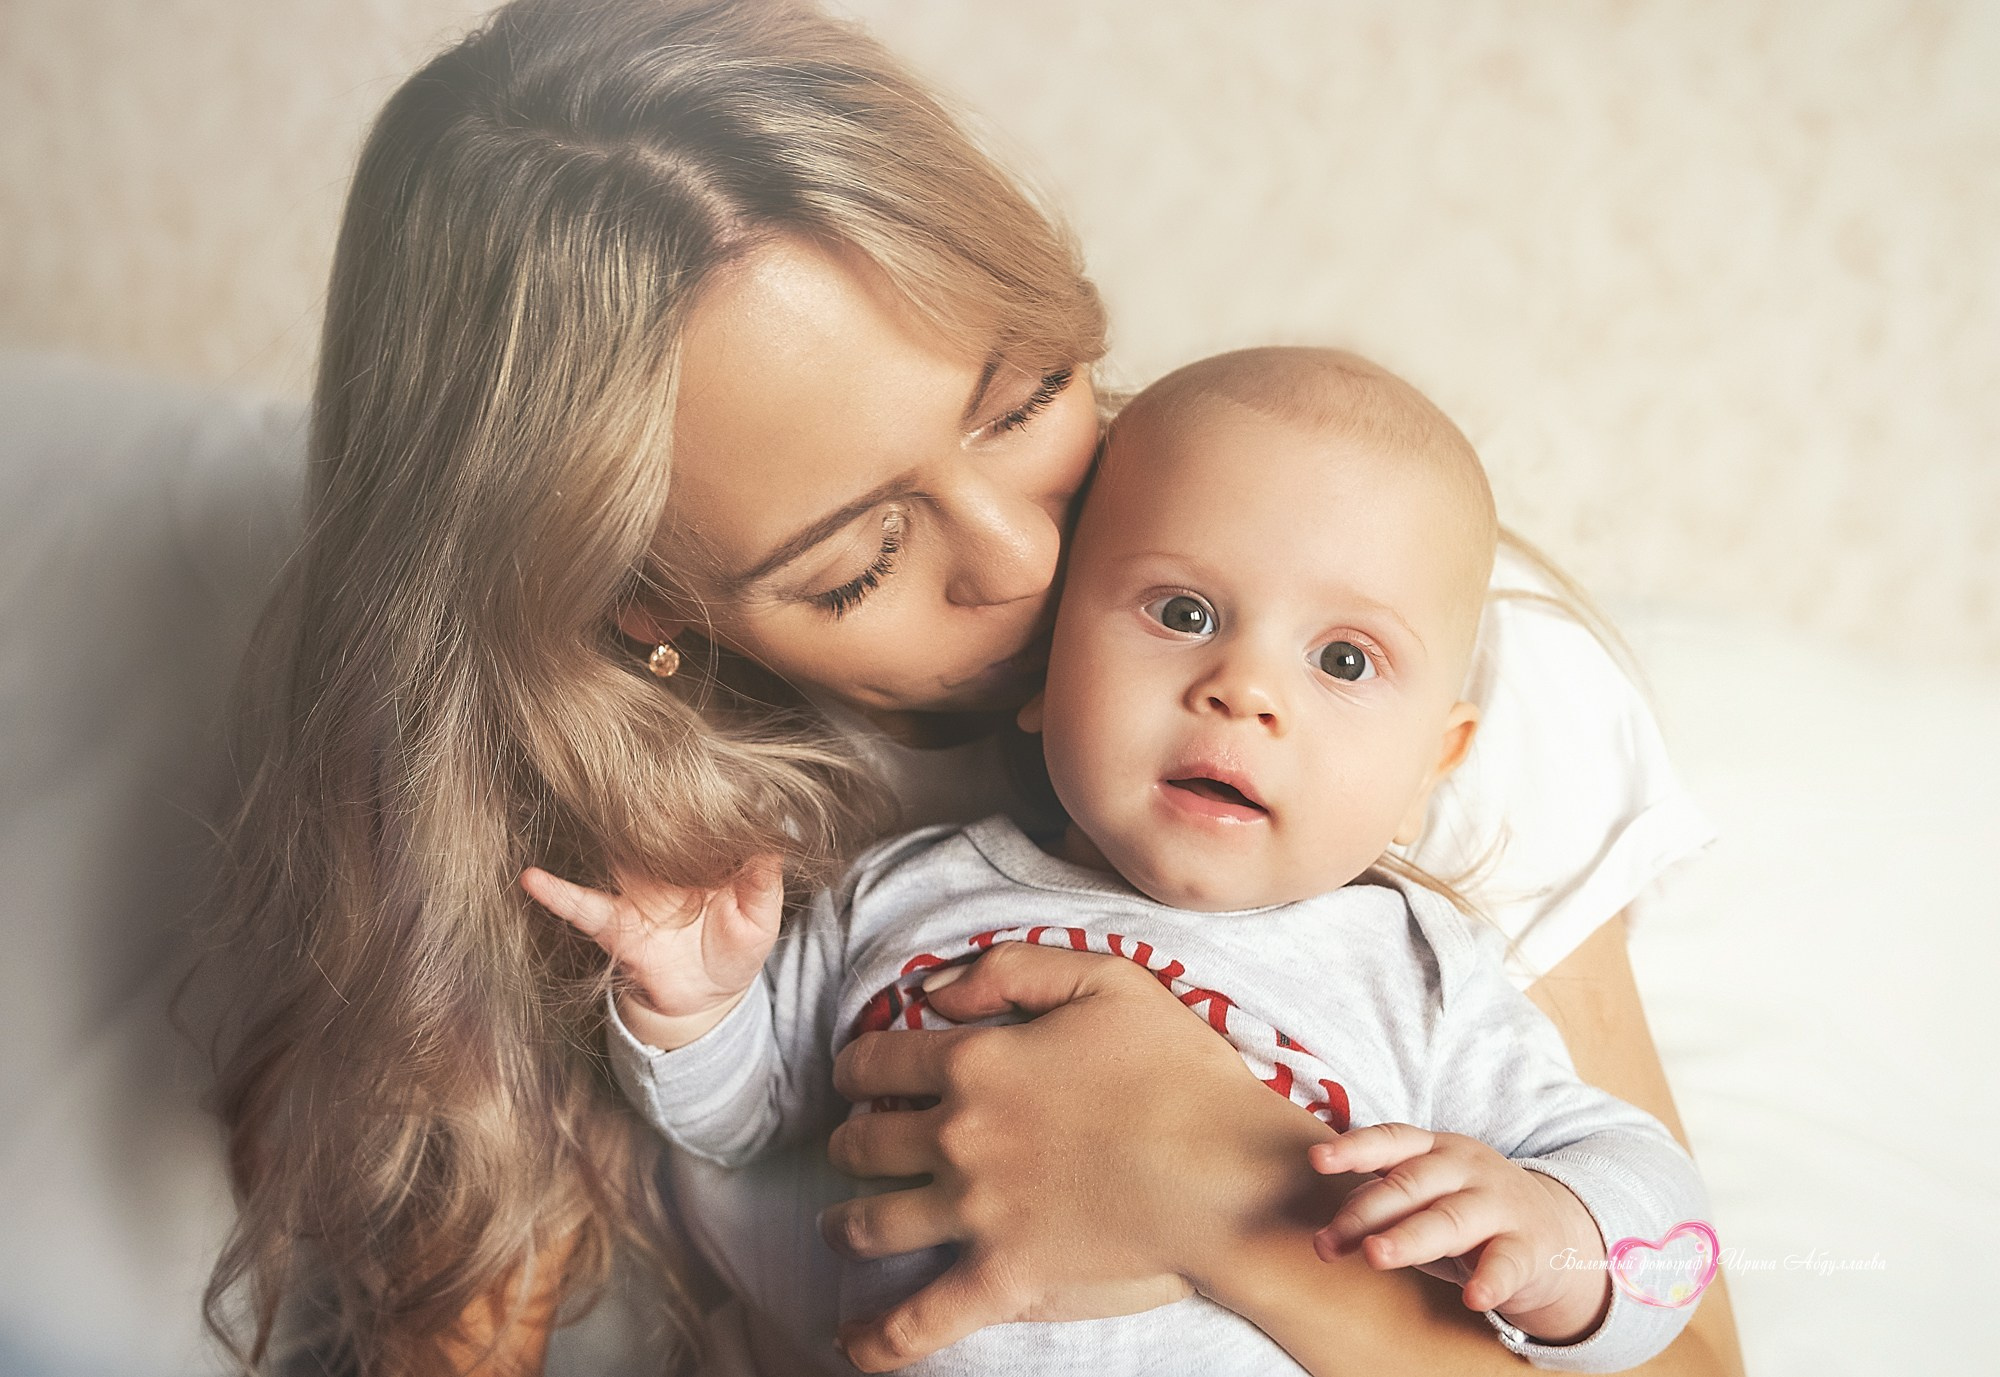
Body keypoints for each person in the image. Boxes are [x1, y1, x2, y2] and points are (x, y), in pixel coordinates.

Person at [198, 1, 1743, 1373]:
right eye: (854, 561)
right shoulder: (632, 843)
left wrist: (1216, 1192)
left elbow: (1658, 1292)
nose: (1025, 555)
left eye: (1026, 402)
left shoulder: (1405, 683)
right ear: (639, 606)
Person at [540, 346, 1712, 1374]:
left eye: (1343, 662)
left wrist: (1555, 1237)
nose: (1242, 690)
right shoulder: (904, 892)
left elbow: (1671, 1254)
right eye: (1183, 614)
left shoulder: (1416, 971)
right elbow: (745, 1115)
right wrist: (692, 1006)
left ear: (1430, 767)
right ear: (1045, 676)